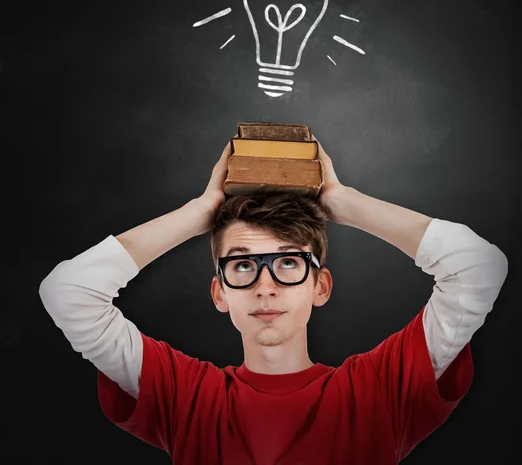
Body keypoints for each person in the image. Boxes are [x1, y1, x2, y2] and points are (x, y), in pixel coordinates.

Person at [39, 134, 508, 465]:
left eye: (288, 263)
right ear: (219, 292)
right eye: (242, 265)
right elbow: (69, 292)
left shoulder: (381, 389)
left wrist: (342, 201)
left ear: (320, 285)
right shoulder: (182, 393)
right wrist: (199, 211)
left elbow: (478, 265)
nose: (266, 286)